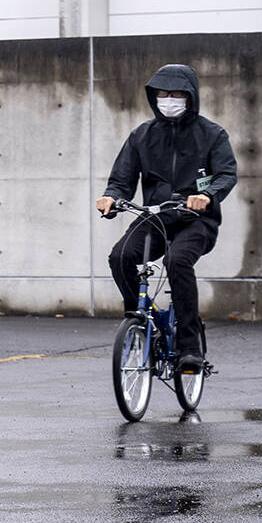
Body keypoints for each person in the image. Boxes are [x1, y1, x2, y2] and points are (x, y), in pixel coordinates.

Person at [96, 64, 237, 372]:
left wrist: (207, 196)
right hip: (156, 217)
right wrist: (111, 197)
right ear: (153, 96)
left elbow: (226, 174)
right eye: (163, 94)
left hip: (196, 220)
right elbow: (121, 179)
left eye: (176, 94)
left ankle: (190, 348)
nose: (169, 100)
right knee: (120, 256)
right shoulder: (142, 135)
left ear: (190, 97)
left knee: (177, 261)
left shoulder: (212, 134)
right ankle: (139, 320)